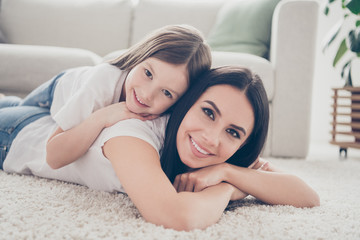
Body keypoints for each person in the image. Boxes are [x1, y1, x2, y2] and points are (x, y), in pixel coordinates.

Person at [0, 66, 319, 232]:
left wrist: (227, 170)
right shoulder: (134, 133)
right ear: (186, 103)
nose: (211, 138)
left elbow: (306, 196)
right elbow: (176, 216)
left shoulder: (223, 156)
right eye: (208, 112)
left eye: (232, 132)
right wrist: (229, 188)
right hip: (18, 136)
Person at [0, 24, 211, 167]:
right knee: (19, 108)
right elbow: (54, 157)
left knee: (19, 111)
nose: (146, 95)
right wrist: (102, 117)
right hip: (59, 90)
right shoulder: (102, 81)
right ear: (138, 57)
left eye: (166, 93)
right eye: (148, 73)